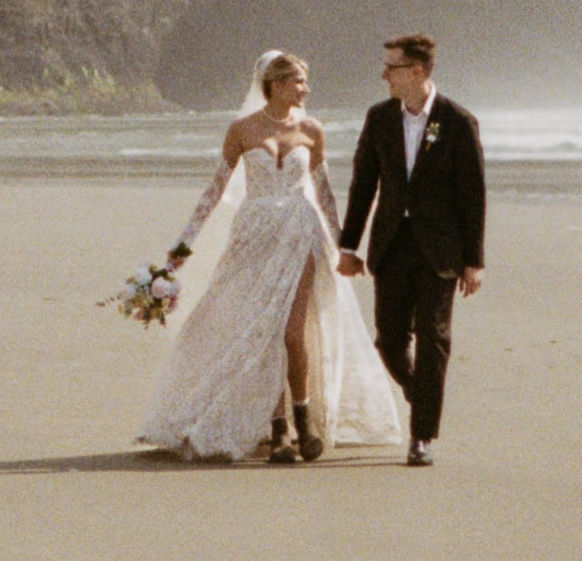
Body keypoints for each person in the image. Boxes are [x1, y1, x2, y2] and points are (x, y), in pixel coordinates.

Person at [136, 51, 400, 463]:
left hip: (299, 232)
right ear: (275, 84)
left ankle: (304, 419)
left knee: (292, 333)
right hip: (254, 237)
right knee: (264, 332)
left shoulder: (312, 129)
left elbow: (326, 195)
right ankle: (278, 429)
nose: (305, 89)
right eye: (298, 81)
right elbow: (215, 190)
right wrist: (183, 245)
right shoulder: (241, 130)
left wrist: (344, 247)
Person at [337, 33, 486, 466]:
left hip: (441, 251)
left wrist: (475, 260)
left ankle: (422, 435)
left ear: (416, 71)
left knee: (434, 340)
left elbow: (473, 195)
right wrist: (349, 245)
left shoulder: (457, 121)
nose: (383, 74)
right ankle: (420, 392)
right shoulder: (379, 118)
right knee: (389, 341)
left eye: (391, 67)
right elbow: (364, 184)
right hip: (392, 246)